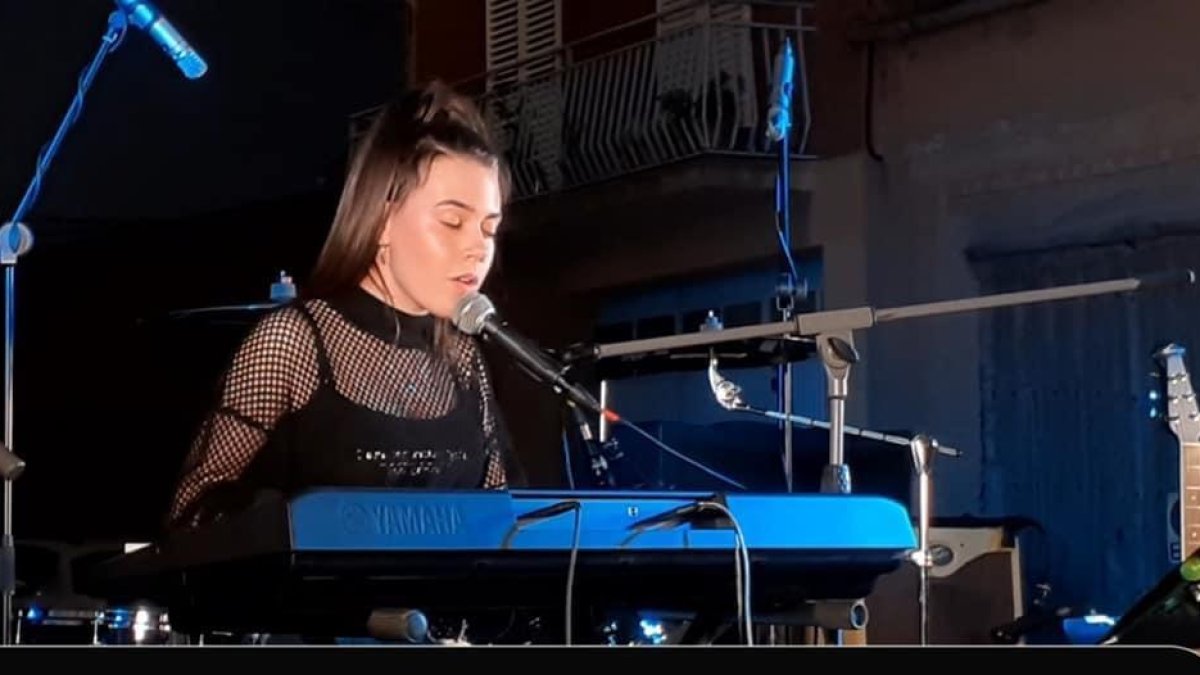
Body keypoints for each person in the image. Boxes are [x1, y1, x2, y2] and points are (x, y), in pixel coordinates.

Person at [164, 80, 524, 531]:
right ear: (382, 222)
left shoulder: (463, 361)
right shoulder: (294, 343)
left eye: (489, 229)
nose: (477, 248)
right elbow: (192, 510)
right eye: (452, 222)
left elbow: (501, 519)